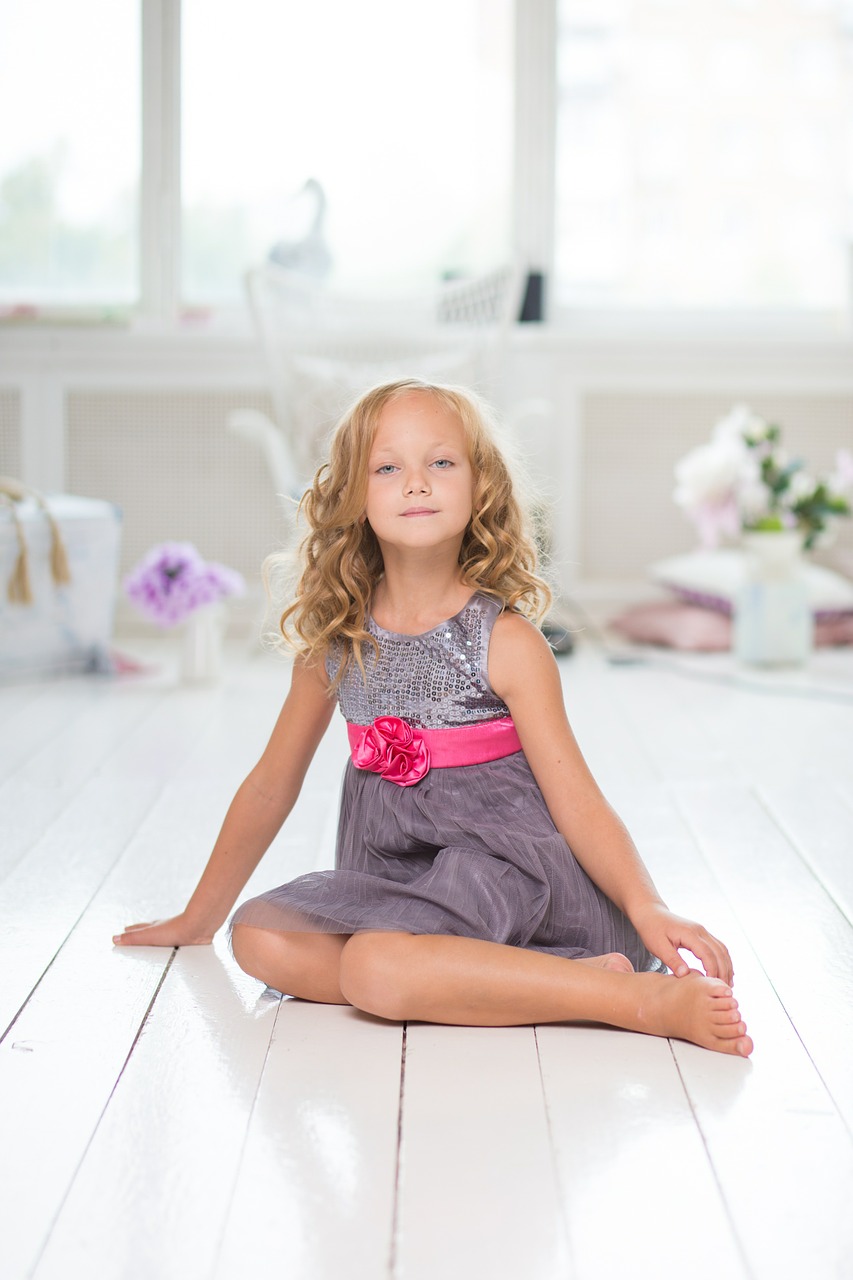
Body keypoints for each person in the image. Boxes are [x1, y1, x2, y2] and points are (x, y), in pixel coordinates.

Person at [114, 379, 753, 1058]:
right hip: (400, 874)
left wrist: (645, 905)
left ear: (481, 487)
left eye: (440, 463)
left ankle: (632, 999)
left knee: (373, 968)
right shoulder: (336, 639)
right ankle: (545, 982)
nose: (415, 483)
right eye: (387, 468)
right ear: (355, 499)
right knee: (260, 937)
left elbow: (578, 802)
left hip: (510, 873)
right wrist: (198, 917)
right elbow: (272, 783)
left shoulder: (505, 641)